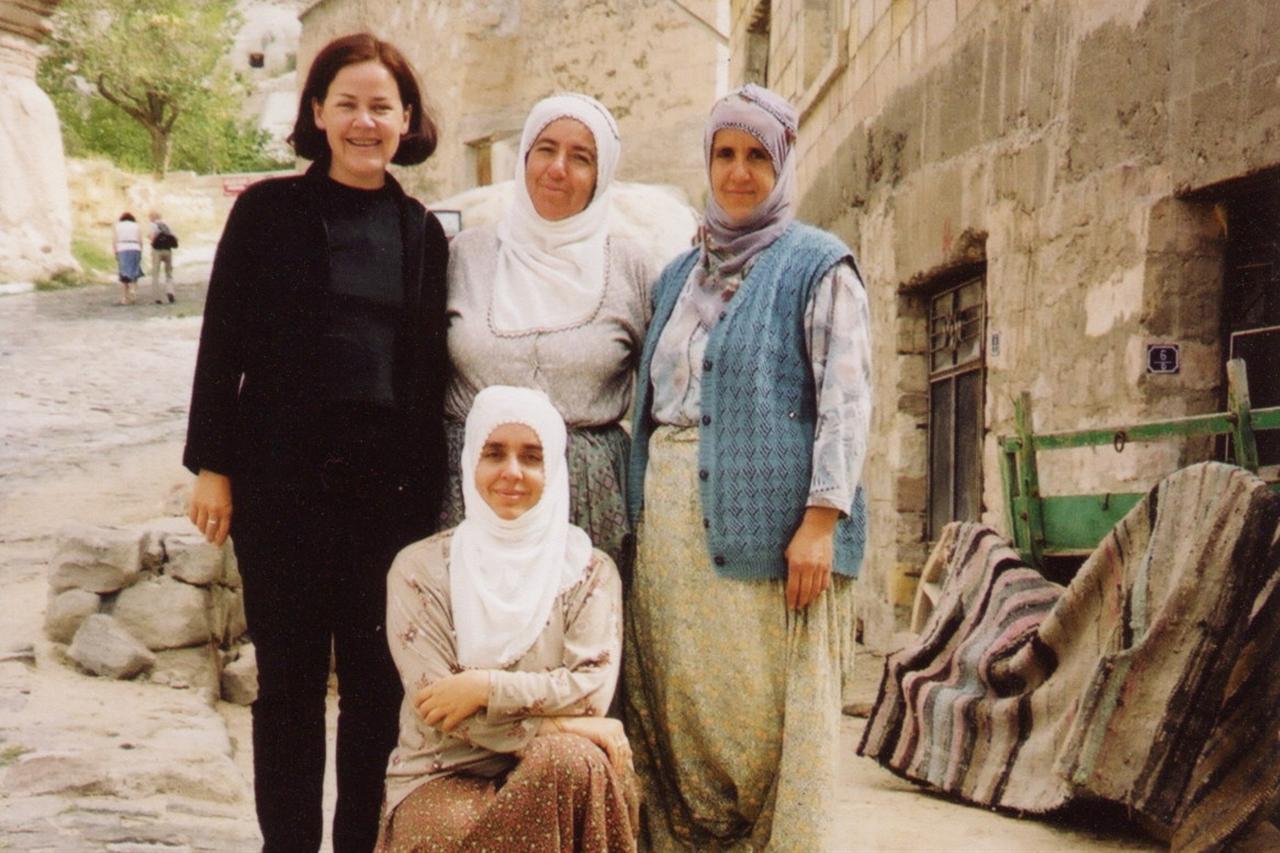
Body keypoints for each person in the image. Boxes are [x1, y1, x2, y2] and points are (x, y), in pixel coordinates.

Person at [183, 33, 449, 853]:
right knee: (290, 687)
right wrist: (213, 465)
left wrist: (431, 504)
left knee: (375, 691)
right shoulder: (267, 213)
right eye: (349, 104)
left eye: (382, 107)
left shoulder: (422, 232)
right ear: (318, 114)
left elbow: (429, 375)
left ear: (407, 119)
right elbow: (221, 340)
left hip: (385, 497)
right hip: (281, 486)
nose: (365, 122)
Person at [624, 84, 872, 850]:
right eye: (725, 153)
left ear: (784, 164)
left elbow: (847, 399)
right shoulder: (677, 276)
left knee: (761, 723)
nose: (738, 172)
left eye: (758, 155)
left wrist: (821, 521)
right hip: (669, 535)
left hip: (772, 534)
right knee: (683, 718)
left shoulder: (818, 264)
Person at [377, 385, 636, 852]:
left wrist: (485, 688)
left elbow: (591, 693)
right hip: (442, 770)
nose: (512, 472)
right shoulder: (420, 569)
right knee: (449, 824)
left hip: (552, 771)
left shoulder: (588, 571)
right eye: (494, 453)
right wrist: (559, 725)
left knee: (570, 763)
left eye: (532, 457)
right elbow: (439, 709)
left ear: (553, 469)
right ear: (470, 461)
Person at [441, 93, 656, 569]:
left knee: (583, 613)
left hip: (590, 497)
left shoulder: (630, 267)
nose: (558, 168)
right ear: (524, 158)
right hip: (474, 492)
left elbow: (657, 396)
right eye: (546, 149)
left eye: (581, 157)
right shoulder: (465, 255)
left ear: (601, 175)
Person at [112, 212, 143, 305]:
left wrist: (115, 252)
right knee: (134, 270)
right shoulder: (136, 226)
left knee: (124, 273)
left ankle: (125, 297)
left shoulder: (118, 226)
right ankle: (133, 290)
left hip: (123, 248)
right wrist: (140, 251)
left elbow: (114, 240)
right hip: (135, 247)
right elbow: (140, 240)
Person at [147, 210, 176, 304]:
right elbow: (173, 237)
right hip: (168, 250)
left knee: (155, 274)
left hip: (157, 251)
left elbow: (152, 237)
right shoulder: (166, 225)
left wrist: (150, 239)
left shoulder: (152, 225)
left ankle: (157, 297)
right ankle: (170, 291)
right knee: (168, 273)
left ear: (152, 217)